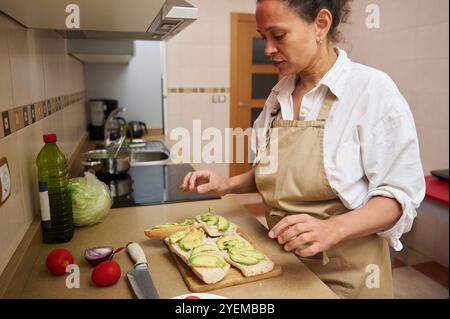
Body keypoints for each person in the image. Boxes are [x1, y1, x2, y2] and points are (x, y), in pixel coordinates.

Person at [181, 0, 425, 298]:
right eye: (263, 38)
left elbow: (399, 198)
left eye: (278, 36)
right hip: (284, 264)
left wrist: (330, 229)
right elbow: (277, 170)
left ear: (321, 24)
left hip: (349, 277)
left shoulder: (371, 90)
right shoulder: (278, 96)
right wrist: (228, 184)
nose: (268, 49)